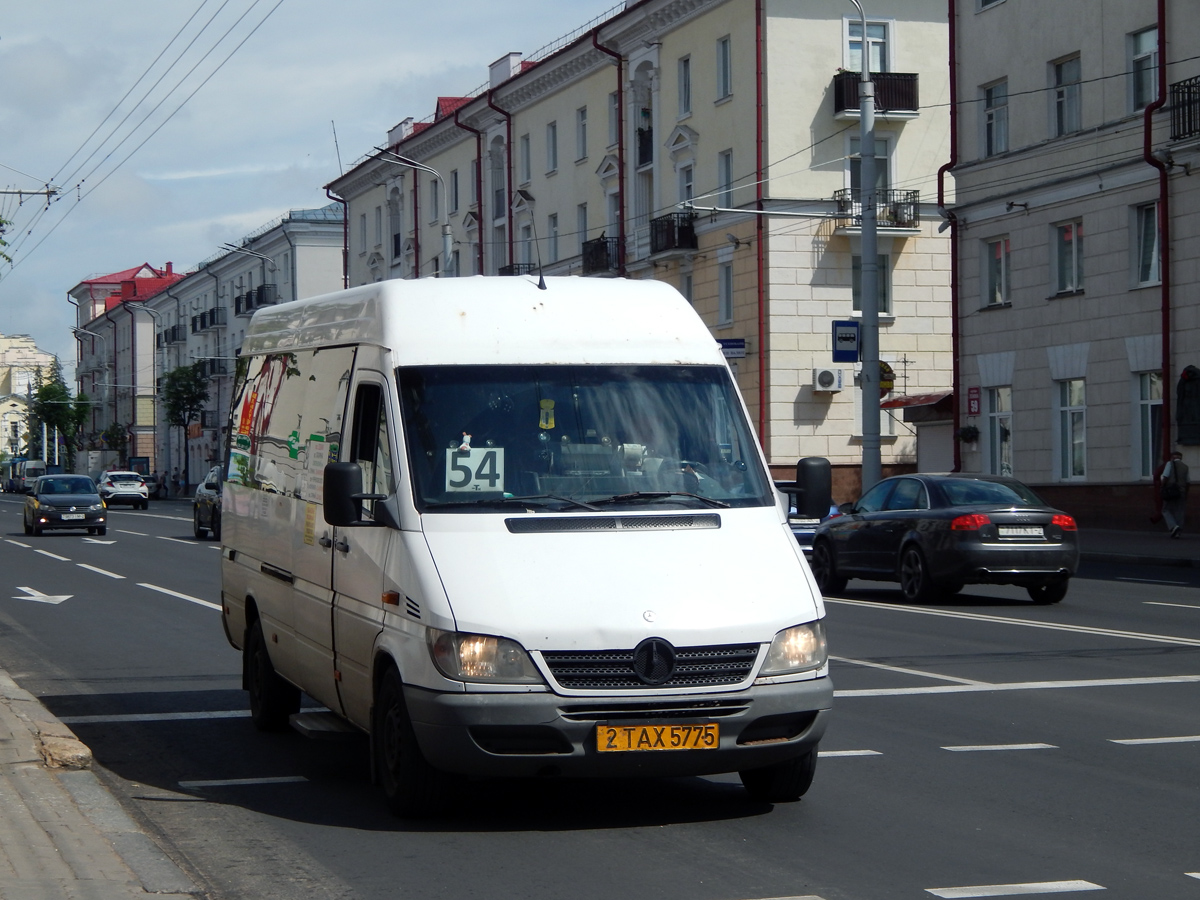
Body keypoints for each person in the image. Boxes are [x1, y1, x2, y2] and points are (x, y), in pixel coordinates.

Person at [1160, 450, 1190, 538]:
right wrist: (1186, 493)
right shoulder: (1185, 467)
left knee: (1165, 509)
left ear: (1172, 457)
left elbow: (1165, 476)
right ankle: (1178, 532)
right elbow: (1188, 482)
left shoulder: (1169, 464)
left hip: (1170, 491)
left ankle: (1173, 526)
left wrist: (1162, 487)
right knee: (1179, 511)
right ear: (1181, 458)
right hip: (1182, 491)